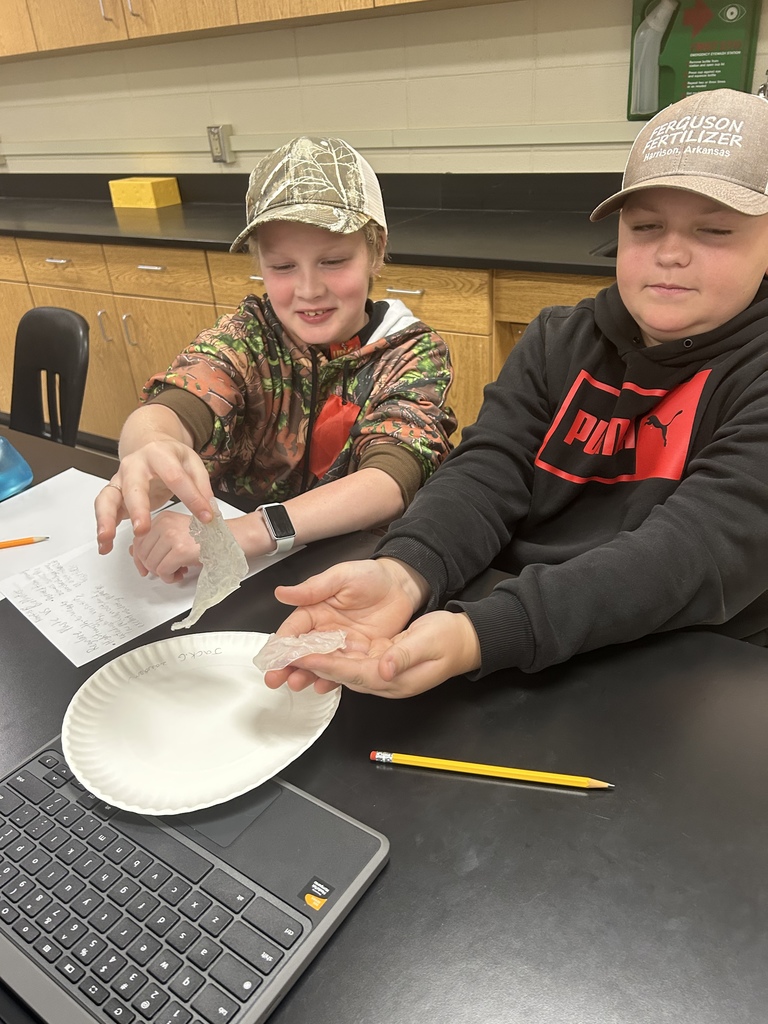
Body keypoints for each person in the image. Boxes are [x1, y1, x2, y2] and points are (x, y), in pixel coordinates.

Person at [262, 88, 768, 699]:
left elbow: (691, 555)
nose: (669, 253)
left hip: (683, 663)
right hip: (505, 627)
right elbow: (488, 470)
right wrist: (404, 572)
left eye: (714, 230)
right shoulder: (559, 339)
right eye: (645, 226)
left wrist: (485, 631)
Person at [94, 137, 456, 582]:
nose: (308, 290)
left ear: (376, 250)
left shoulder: (411, 353)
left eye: (334, 261)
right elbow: (182, 396)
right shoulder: (249, 336)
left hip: (351, 574)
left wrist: (243, 533)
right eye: (283, 267)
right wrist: (150, 450)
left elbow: (388, 481)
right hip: (237, 578)